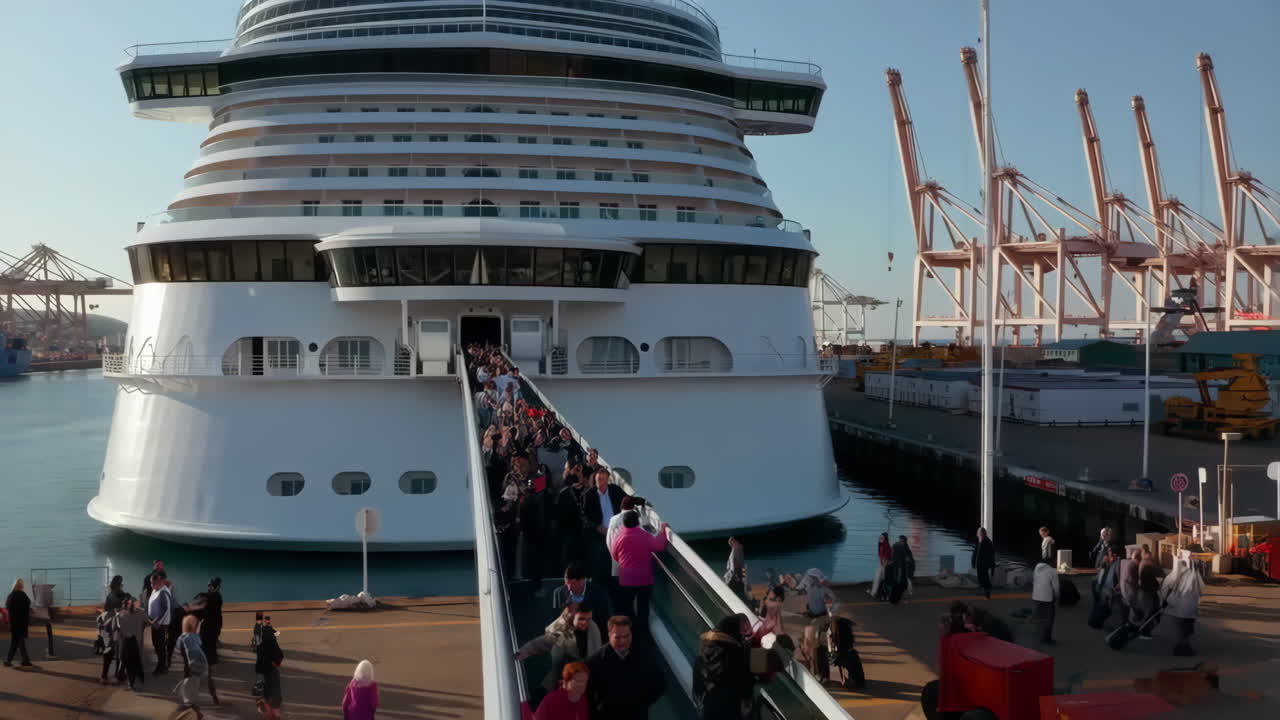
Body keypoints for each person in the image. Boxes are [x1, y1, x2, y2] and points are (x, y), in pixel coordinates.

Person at [585, 616, 665, 720]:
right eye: (617, 637)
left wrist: (641, 703)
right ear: (609, 635)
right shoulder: (594, 662)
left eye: (626, 636)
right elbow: (588, 695)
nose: (623, 641)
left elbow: (660, 683)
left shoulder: (644, 655)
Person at [611, 511, 671, 639]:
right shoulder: (644, 535)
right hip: (644, 578)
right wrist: (663, 530)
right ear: (637, 522)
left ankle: (629, 630)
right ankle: (643, 631)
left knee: (627, 606)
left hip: (626, 579)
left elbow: (615, 554)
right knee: (643, 607)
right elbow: (659, 545)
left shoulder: (620, 537)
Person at [516, 605, 602, 693]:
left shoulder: (592, 629)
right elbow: (544, 642)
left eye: (588, 619)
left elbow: (597, 658)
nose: (585, 623)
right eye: (581, 619)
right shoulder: (563, 631)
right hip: (562, 681)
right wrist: (523, 652)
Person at [693, 614, 756, 720]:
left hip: (709, 710)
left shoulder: (701, 656)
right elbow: (747, 690)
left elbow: (697, 690)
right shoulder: (739, 659)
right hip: (731, 712)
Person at [581, 469, 628, 587]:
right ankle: (600, 590)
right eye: (597, 480)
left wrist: (642, 501)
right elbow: (584, 517)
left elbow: (627, 500)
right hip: (599, 535)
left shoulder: (615, 490)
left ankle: (616, 589)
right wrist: (597, 527)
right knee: (599, 565)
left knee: (616, 566)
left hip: (615, 534)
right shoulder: (589, 495)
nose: (600, 483)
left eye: (602, 479)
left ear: (607, 480)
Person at [185, 578, 224, 704]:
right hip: (209, 638)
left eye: (212, 586)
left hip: (207, 637)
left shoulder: (213, 598)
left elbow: (200, 607)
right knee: (206, 672)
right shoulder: (216, 598)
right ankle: (213, 698)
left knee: (200, 671)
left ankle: (195, 698)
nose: (211, 587)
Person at [551, 566, 610, 637]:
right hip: (567, 636)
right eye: (567, 583)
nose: (569, 588)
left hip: (592, 635)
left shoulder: (599, 593)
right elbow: (555, 619)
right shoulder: (559, 592)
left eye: (573, 584)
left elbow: (605, 620)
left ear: (582, 581)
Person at [1162, 558, 1204, 656]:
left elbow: (1166, 588)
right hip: (1189, 610)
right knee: (1186, 632)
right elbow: (1199, 592)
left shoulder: (1177, 576)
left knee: (1182, 631)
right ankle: (1183, 649)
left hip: (1179, 610)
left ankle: (1180, 648)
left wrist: (1167, 601)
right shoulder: (1193, 576)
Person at [175, 614, 209, 716]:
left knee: (187, 687)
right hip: (201, 665)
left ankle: (190, 709)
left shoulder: (183, 637)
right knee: (193, 687)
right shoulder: (195, 637)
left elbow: (183, 651)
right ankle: (195, 709)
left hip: (192, 665)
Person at [116, 596, 148, 689]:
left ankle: (129, 680)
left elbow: (118, 628)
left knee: (128, 661)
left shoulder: (120, 614)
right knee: (130, 661)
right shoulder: (139, 613)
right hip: (131, 642)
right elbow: (147, 622)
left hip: (127, 642)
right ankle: (129, 679)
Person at [255, 615, 284, 719]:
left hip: (262, 673)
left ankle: (266, 710)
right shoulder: (274, 646)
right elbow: (279, 659)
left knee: (264, 700)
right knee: (274, 706)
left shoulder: (260, 647)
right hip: (271, 675)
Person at [147, 574, 173, 674]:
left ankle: (161, 667)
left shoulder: (163, 592)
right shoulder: (156, 589)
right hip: (155, 623)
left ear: (160, 582)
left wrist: (156, 621)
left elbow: (165, 608)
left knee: (159, 645)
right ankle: (162, 664)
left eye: (153, 583)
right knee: (156, 644)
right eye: (150, 583)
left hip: (159, 624)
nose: (151, 585)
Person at [1031, 555, 1059, 644]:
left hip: (1036, 597)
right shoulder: (1053, 571)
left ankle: (1037, 636)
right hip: (1047, 598)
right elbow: (1056, 588)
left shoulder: (1036, 568)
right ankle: (1046, 638)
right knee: (1049, 619)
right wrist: (1057, 598)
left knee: (1038, 617)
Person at [5, 578, 32, 667]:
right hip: (22, 622)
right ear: (21, 586)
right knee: (19, 641)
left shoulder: (11, 595)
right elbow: (28, 605)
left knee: (15, 642)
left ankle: (10, 660)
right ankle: (24, 661)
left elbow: (8, 607)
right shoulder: (23, 595)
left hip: (14, 622)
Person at [1136, 549, 1162, 639]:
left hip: (1148, 593)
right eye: (1149, 559)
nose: (1151, 561)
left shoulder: (1143, 565)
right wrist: (1157, 585)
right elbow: (1148, 582)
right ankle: (1144, 632)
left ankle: (1145, 631)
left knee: (1152, 613)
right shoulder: (1146, 567)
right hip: (1148, 593)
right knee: (1149, 614)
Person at [887, 535, 915, 605]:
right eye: (899, 540)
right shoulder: (899, 549)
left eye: (901, 540)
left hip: (906, 571)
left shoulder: (906, 550)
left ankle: (906, 598)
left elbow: (909, 562)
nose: (899, 541)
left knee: (906, 585)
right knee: (900, 584)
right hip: (901, 571)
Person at [96, 604, 119, 684]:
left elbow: (99, 630)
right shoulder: (115, 616)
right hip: (112, 641)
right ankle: (115, 676)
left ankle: (104, 676)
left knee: (107, 660)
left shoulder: (101, 616)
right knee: (115, 658)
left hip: (106, 641)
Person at [971, 527, 995, 599]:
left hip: (985, 564)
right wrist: (973, 562)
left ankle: (987, 591)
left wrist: (991, 565)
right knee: (981, 577)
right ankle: (985, 589)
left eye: (978, 532)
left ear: (981, 533)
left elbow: (991, 554)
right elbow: (975, 553)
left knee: (984, 577)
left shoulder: (988, 542)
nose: (977, 534)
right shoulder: (979, 541)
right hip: (979, 563)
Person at [724, 537, 748, 603]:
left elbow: (735, 563)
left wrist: (735, 574)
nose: (729, 544)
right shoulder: (738, 548)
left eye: (731, 542)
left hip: (734, 575)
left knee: (732, 591)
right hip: (736, 574)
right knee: (739, 591)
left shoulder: (736, 549)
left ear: (735, 541)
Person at [869, 533, 891, 600]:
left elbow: (887, 557)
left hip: (885, 565)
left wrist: (884, 565)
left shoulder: (886, 545)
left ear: (885, 539)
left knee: (880, 578)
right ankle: (874, 592)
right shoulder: (881, 545)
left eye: (882, 538)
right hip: (882, 564)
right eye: (880, 538)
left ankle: (877, 593)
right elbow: (881, 556)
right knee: (877, 578)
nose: (880, 539)